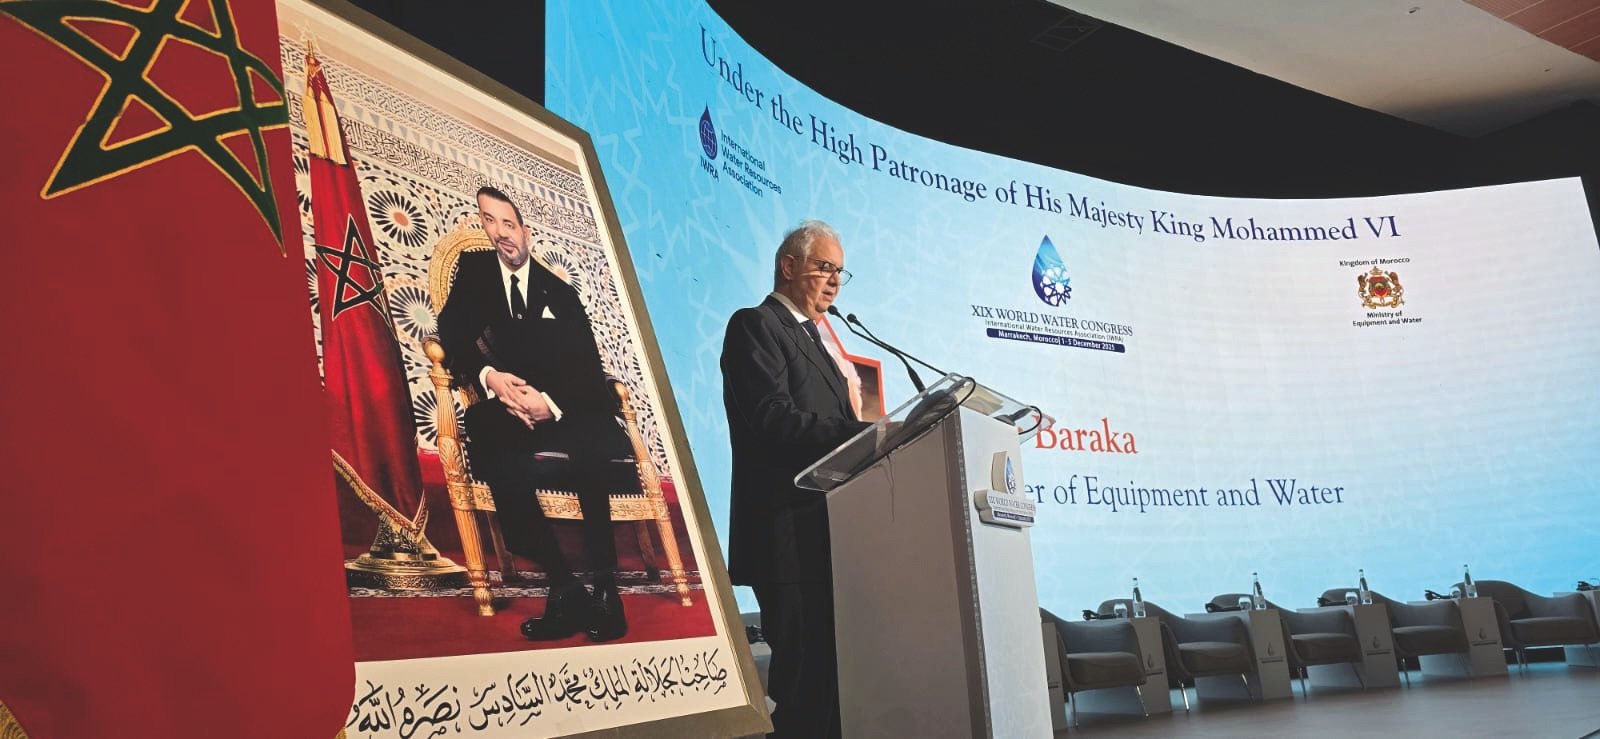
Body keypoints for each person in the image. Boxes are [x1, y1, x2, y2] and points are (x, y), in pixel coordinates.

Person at [436, 185, 632, 642]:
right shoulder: (474, 272)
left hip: (569, 408)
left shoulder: (560, 293)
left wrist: (551, 404)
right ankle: (564, 586)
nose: (500, 232)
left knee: (590, 441)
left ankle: (606, 589)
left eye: (509, 224)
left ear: (525, 232)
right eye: (490, 221)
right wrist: (491, 378)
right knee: (484, 425)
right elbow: (451, 332)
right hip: (511, 406)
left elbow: (587, 368)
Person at [722, 220, 872, 738]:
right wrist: (867, 434)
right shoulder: (756, 325)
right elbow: (772, 419)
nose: (834, 281)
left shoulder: (816, 340)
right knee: (804, 683)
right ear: (789, 266)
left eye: (840, 272)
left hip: (826, 537)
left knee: (832, 684)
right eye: (824, 267)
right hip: (786, 534)